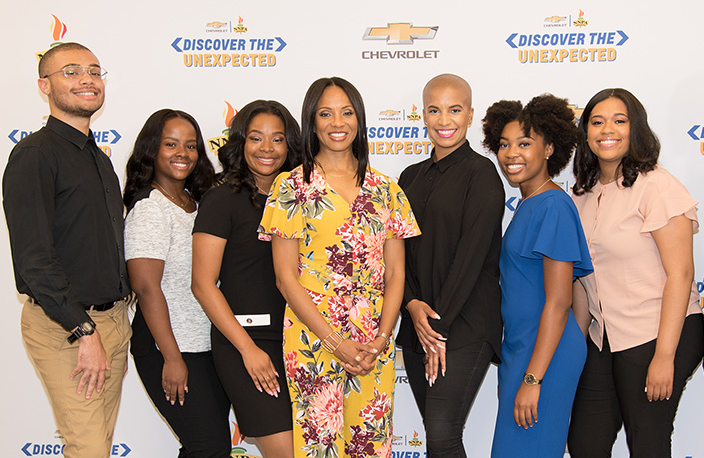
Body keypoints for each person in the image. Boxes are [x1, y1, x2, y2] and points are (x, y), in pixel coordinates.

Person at [261, 77, 420, 458]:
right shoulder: (290, 187)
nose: (337, 123)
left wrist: (382, 338)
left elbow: (396, 273)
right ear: (312, 122)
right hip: (312, 337)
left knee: (371, 444)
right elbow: (285, 278)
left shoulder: (387, 189)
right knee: (319, 448)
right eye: (326, 113)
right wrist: (335, 343)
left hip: (372, 340)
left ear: (359, 120)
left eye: (347, 112)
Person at [2, 42, 131, 458]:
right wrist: (83, 330)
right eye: (71, 72)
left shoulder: (99, 159)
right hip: (68, 328)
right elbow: (34, 259)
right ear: (45, 85)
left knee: (99, 444)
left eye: (94, 71)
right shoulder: (35, 155)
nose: (87, 79)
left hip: (111, 321)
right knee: (88, 448)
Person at [566, 88, 704, 457]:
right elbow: (582, 278)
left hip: (657, 332)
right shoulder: (581, 194)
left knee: (647, 444)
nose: (607, 129)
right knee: (584, 444)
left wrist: (664, 356)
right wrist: (575, 343)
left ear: (636, 128)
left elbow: (681, 274)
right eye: (597, 122)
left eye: (619, 120)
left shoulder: (657, 186)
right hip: (603, 338)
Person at [396, 73, 505, 457]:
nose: (445, 120)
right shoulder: (409, 178)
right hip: (416, 325)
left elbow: (470, 261)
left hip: (465, 326)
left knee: (443, 436)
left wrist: (436, 331)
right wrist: (411, 306)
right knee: (437, 438)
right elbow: (395, 256)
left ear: (470, 114)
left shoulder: (483, 175)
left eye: (455, 109)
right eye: (435, 110)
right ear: (421, 114)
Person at [482, 94, 592, 455]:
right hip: (525, 350)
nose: (511, 153)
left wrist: (534, 377)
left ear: (548, 149)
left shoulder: (554, 206)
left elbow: (559, 301)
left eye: (525, 143)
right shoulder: (529, 204)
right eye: (504, 144)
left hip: (545, 355)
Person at [191, 100, 300, 458]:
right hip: (245, 342)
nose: (267, 148)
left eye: (277, 139)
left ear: (290, 146)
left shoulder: (301, 199)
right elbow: (203, 284)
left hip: (298, 342)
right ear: (240, 143)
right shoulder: (222, 200)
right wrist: (248, 350)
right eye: (256, 138)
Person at [123, 109, 230, 457]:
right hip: (167, 347)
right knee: (207, 446)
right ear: (152, 150)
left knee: (208, 446)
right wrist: (171, 357)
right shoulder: (151, 208)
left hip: (204, 345)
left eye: (190, 145)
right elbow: (146, 287)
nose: (182, 153)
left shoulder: (196, 204)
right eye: (170, 144)